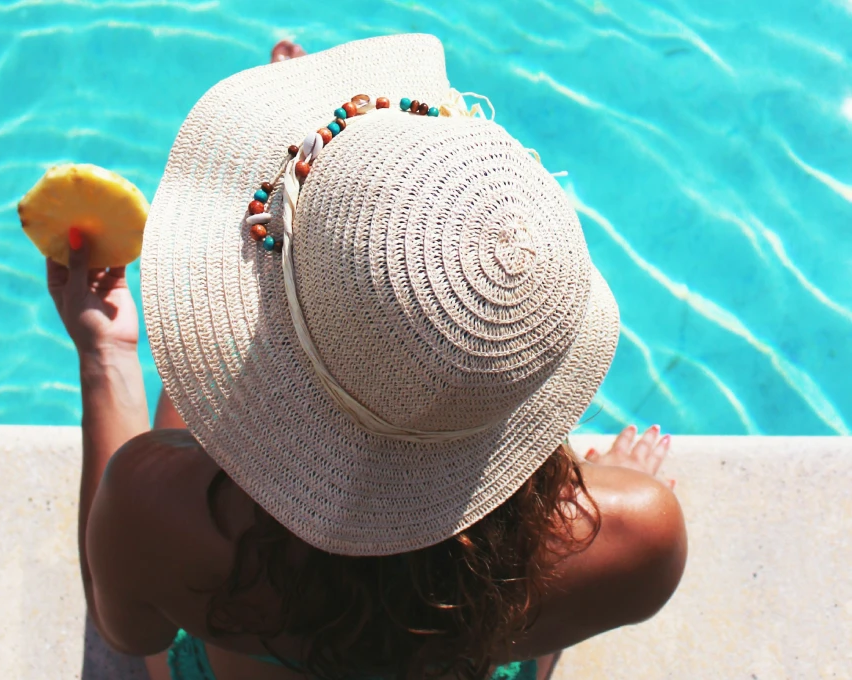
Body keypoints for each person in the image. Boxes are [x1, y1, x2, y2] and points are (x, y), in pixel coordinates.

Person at [47, 35, 686, 680]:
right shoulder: (640, 536)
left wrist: (107, 358)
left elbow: (127, 633)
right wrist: (601, 493)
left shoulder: (152, 505)